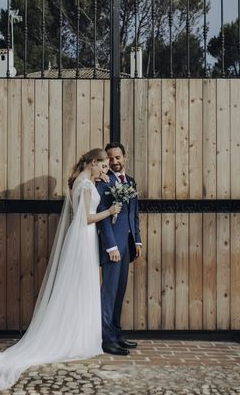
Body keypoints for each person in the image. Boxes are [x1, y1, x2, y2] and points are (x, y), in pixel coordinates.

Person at [0, 148, 121, 391]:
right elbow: (85, 218)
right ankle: (75, 337)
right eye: (103, 167)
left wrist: (100, 180)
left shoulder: (82, 181)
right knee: (79, 285)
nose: (105, 171)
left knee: (78, 286)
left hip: (82, 238)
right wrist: (110, 212)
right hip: (83, 236)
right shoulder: (83, 185)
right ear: (93, 163)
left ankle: (78, 332)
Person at [96, 142, 142, 356]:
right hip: (113, 247)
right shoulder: (103, 183)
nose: (114, 162)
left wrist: (138, 241)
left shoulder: (130, 181)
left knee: (119, 292)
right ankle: (106, 339)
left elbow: (134, 214)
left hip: (128, 246)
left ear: (125, 157)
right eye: (110, 158)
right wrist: (111, 246)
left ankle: (116, 333)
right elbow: (103, 218)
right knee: (109, 293)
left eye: (117, 157)